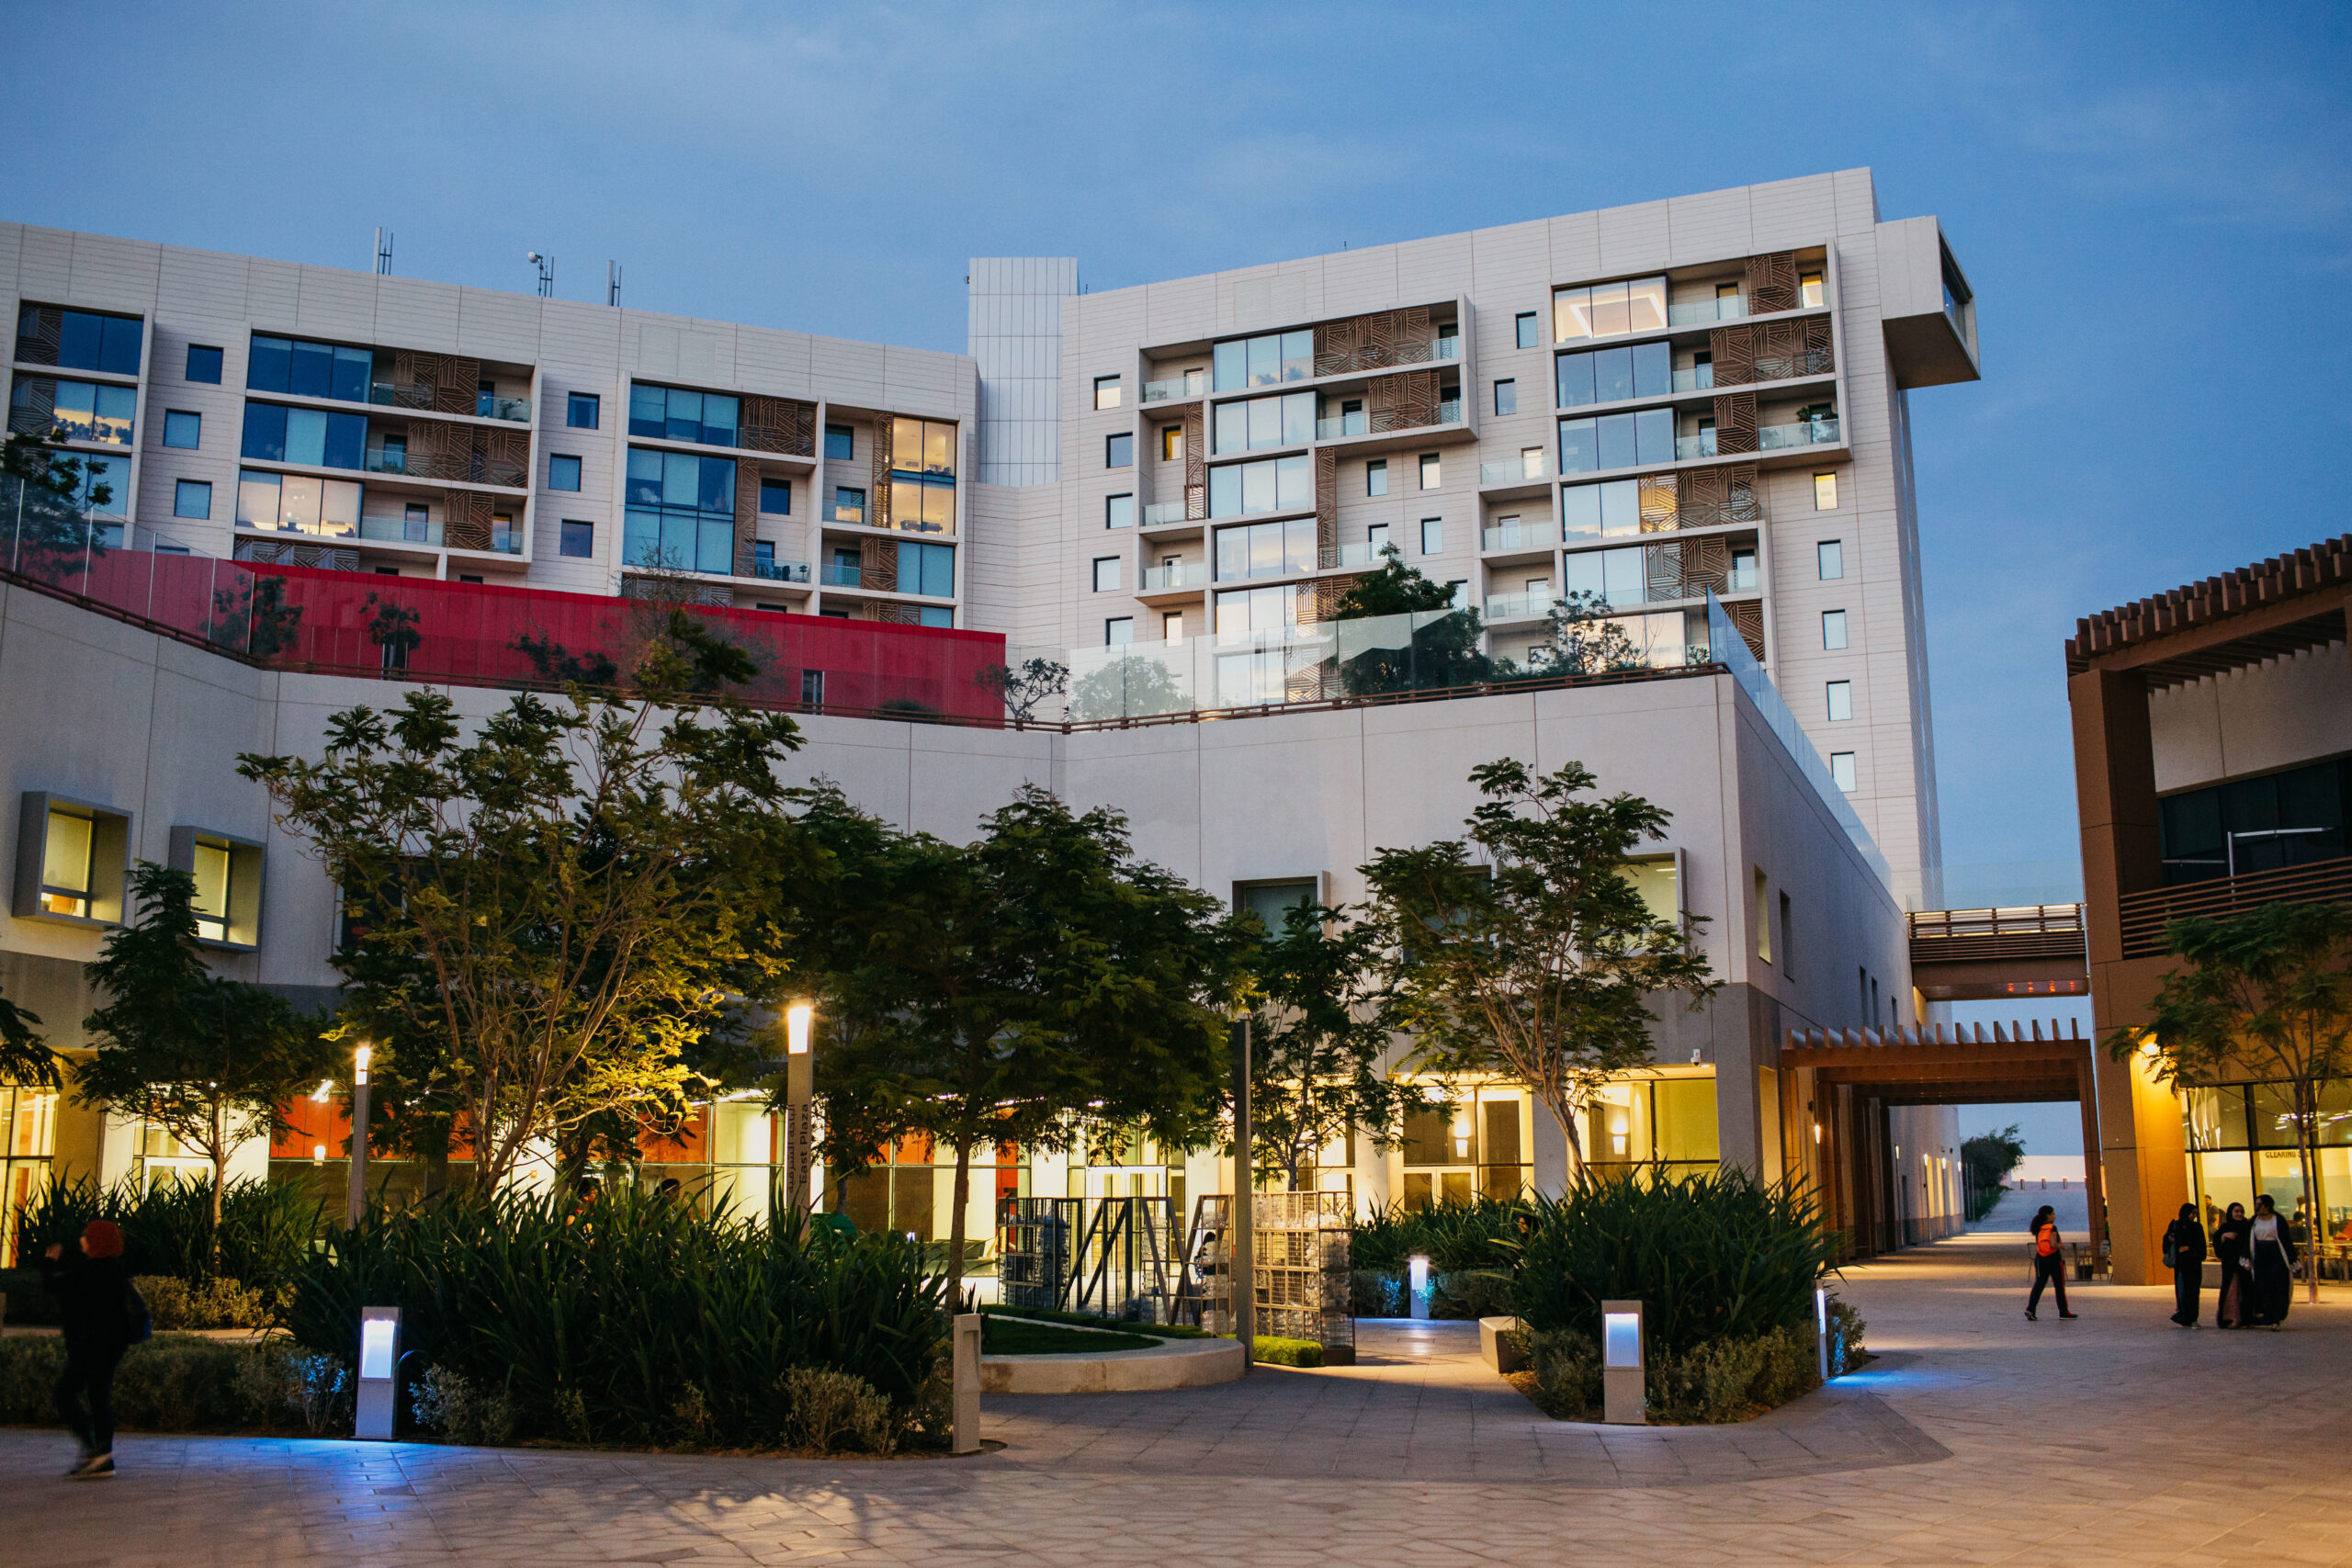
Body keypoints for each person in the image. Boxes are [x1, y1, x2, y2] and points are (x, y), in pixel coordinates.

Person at [39, 1219, 136, 1480]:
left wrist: (49, 1261)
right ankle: (102, 1457)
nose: (82, 1240)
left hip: (90, 1347)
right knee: (98, 1398)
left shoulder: (92, 1271)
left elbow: (57, 1286)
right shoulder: (115, 1269)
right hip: (110, 1346)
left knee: (65, 1394)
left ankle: (96, 1449)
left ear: (97, 1241)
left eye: (86, 1236)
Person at [2247, 1193, 2299, 1328]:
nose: (2256, 1207)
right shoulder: (2254, 1220)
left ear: (2266, 1206)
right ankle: (2267, 1315)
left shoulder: (2278, 1220)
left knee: (2278, 1285)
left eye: (2259, 1204)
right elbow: (2248, 1241)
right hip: (2260, 1255)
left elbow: (2286, 1241)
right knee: (2263, 1286)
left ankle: (2276, 1317)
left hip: (2276, 1255)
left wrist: (2292, 1260)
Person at [2025, 1203, 2076, 1321]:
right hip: (2054, 1260)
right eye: (2053, 1214)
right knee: (2059, 1287)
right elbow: (2053, 1245)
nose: (2055, 1216)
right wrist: (2061, 1245)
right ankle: (2063, 1312)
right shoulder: (2052, 1227)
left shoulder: (2038, 1228)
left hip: (2040, 1259)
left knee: (2039, 1285)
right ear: (2048, 1215)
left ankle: (2030, 1309)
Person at [2163, 1202, 2208, 1327]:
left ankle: (2192, 1318)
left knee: (2193, 1291)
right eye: (2192, 1213)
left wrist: (2188, 1248)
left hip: (2193, 1264)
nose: (2193, 1216)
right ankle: (2184, 1316)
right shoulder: (2175, 1225)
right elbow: (2165, 1243)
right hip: (2181, 1265)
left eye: (2195, 1214)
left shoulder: (2197, 1227)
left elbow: (2201, 1246)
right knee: (2182, 1291)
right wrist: (2170, 1240)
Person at [2211, 1202, 2251, 1328]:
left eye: (2241, 1211)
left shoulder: (2247, 1226)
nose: (2239, 1214)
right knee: (2231, 1291)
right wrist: (2224, 1236)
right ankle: (2229, 1318)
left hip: (2245, 1265)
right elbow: (2218, 1246)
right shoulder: (2225, 1227)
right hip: (2230, 1265)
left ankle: (2245, 1319)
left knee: (2246, 1291)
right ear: (2231, 1213)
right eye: (2236, 1211)